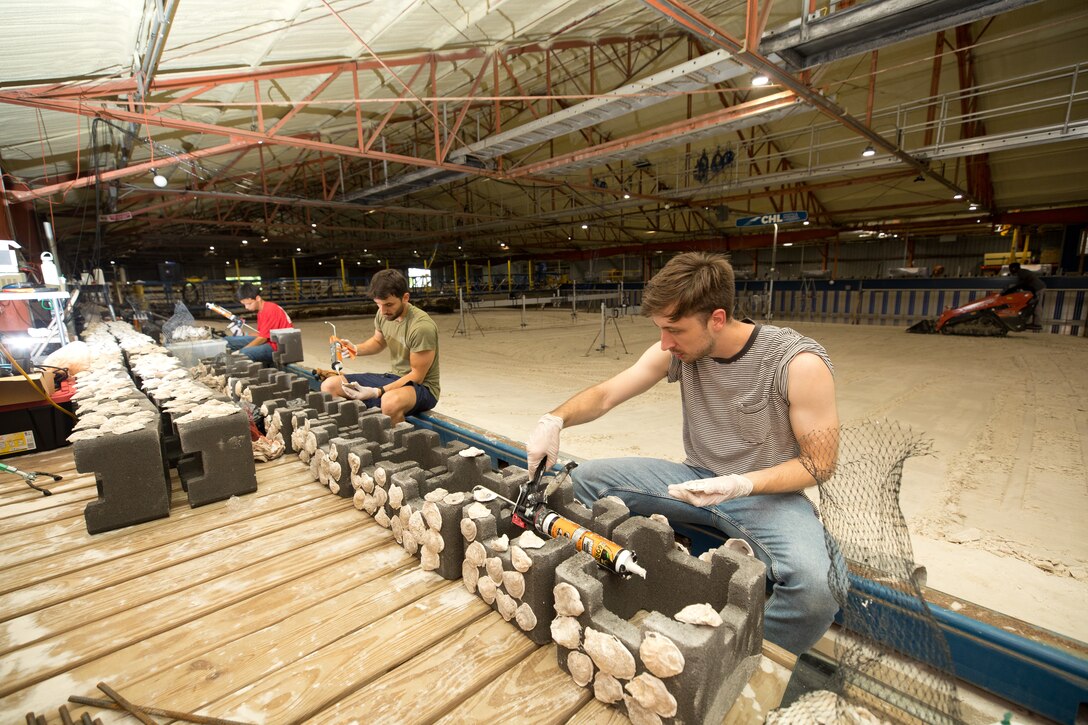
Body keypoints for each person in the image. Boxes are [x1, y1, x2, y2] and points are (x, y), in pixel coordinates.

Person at [525, 252, 841, 655]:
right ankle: (601, 582)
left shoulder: (797, 363)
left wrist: (742, 483)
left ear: (718, 318)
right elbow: (606, 395)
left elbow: (820, 464)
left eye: (674, 330)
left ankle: (733, 662)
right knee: (586, 480)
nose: (665, 343)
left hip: (765, 495)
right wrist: (554, 420)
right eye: (660, 330)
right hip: (695, 478)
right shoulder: (677, 351)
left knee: (817, 590)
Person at [321, 269, 440, 425]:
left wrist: (377, 391)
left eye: (389, 304)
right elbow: (378, 342)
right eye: (378, 305)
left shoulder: (421, 327)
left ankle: (397, 446)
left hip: (422, 387)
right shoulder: (384, 314)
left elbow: (417, 376)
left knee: (389, 402)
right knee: (330, 386)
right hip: (393, 377)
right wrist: (355, 348)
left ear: (405, 298)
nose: (383, 311)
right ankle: (358, 431)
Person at [224, 283, 292, 365]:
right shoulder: (261, 311)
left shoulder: (270, 310)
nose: (246, 307)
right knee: (227, 341)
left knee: (243, 354)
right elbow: (262, 334)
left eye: (249, 304)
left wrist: (241, 350)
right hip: (270, 341)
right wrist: (243, 334)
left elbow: (262, 338)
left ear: (258, 298)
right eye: (244, 304)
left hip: (279, 347)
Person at [1002, 262, 1045, 329]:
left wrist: (1009, 291)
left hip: (1038, 289)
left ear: (1014, 268)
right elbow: (1022, 285)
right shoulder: (1022, 272)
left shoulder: (1021, 273)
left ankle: (1037, 324)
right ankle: (1031, 322)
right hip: (1036, 289)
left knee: (1036, 306)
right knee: (1030, 305)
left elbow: (1021, 284)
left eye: (1010, 269)